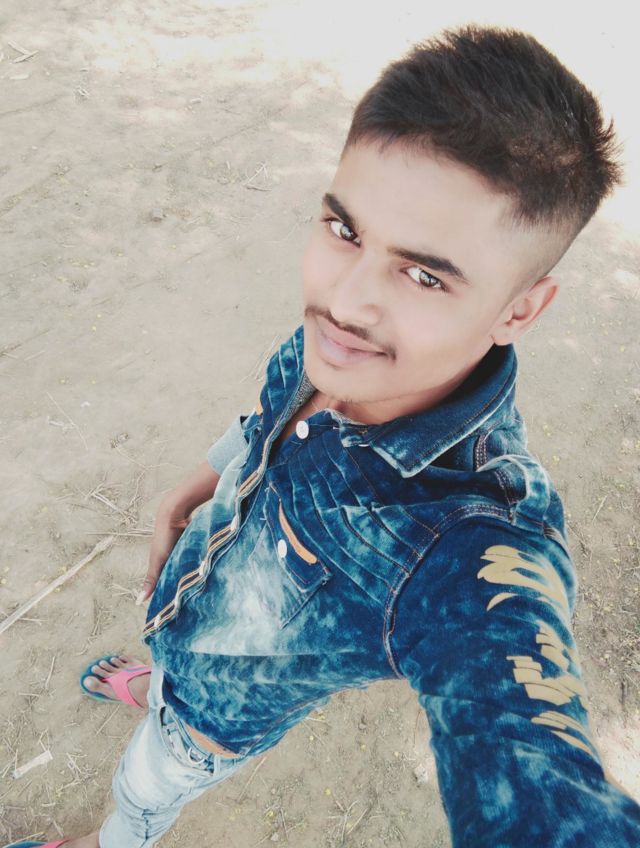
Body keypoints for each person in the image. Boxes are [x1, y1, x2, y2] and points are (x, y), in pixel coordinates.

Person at [8, 23, 640, 848]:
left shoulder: (467, 544)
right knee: (168, 679)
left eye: (423, 274)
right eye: (345, 230)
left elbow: (537, 776)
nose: (344, 301)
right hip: (184, 622)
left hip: (212, 725)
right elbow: (268, 421)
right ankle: (155, 684)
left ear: (519, 310)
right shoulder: (346, 346)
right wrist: (194, 486)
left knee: (143, 789)